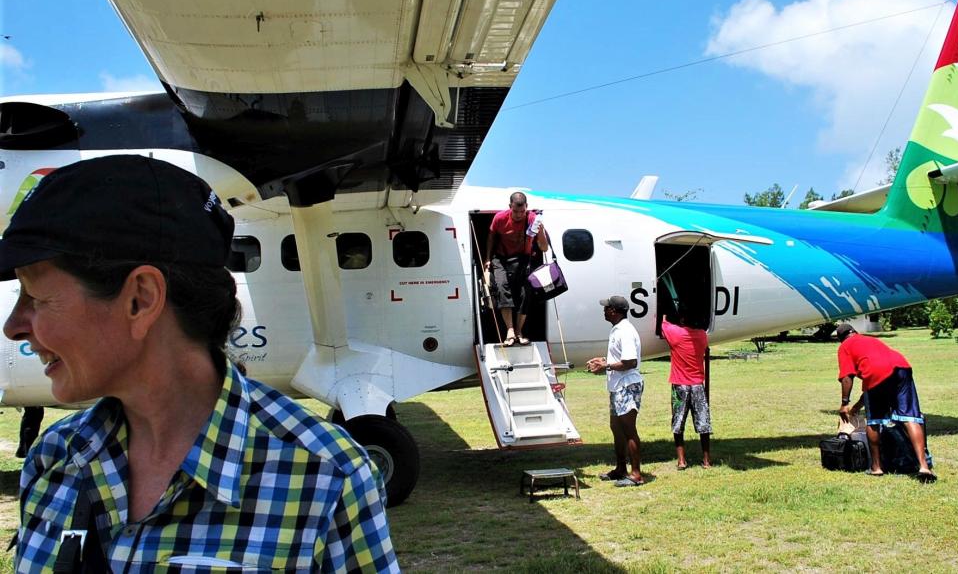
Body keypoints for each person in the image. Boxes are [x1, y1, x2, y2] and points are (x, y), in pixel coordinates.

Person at [0, 155, 399, 572]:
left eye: (37, 297)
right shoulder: (53, 461)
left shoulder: (328, 479)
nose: (13, 327)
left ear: (141, 299)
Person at [835, 324, 936, 483]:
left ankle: (876, 467)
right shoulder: (869, 340)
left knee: (874, 421)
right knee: (910, 417)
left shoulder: (845, 347)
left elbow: (847, 376)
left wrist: (844, 403)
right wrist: (856, 407)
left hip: (877, 372)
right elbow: (873, 386)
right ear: (855, 332)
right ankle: (923, 466)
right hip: (902, 366)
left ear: (841, 339)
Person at [586, 295, 644, 487]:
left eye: (607, 308)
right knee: (617, 428)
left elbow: (630, 362)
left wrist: (606, 367)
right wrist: (604, 362)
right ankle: (621, 469)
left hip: (627, 385)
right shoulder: (618, 329)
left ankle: (636, 474)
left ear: (615, 311)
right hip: (618, 385)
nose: (604, 310)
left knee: (628, 430)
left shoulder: (624, 331)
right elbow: (620, 357)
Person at [484, 191, 548, 346]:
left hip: (523, 258)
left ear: (527, 207)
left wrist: (540, 230)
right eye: (515, 211)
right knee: (501, 288)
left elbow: (544, 248)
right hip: (501, 257)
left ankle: (519, 331)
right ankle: (510, 330)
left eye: (522, 211)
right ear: (509, 207)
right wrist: (487, 258)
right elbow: (491, 237)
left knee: (526, 293)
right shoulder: (499, 218)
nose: (519, 215)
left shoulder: (533, 219)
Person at [661, 311, 712, 469]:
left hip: (680, 384)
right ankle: (706, 460)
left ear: (683, 319)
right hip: (697, 384)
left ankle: (681, 460)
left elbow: (662, 321)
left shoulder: (675, 333)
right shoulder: (702, 335)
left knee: (678, 422)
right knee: (703, 423)